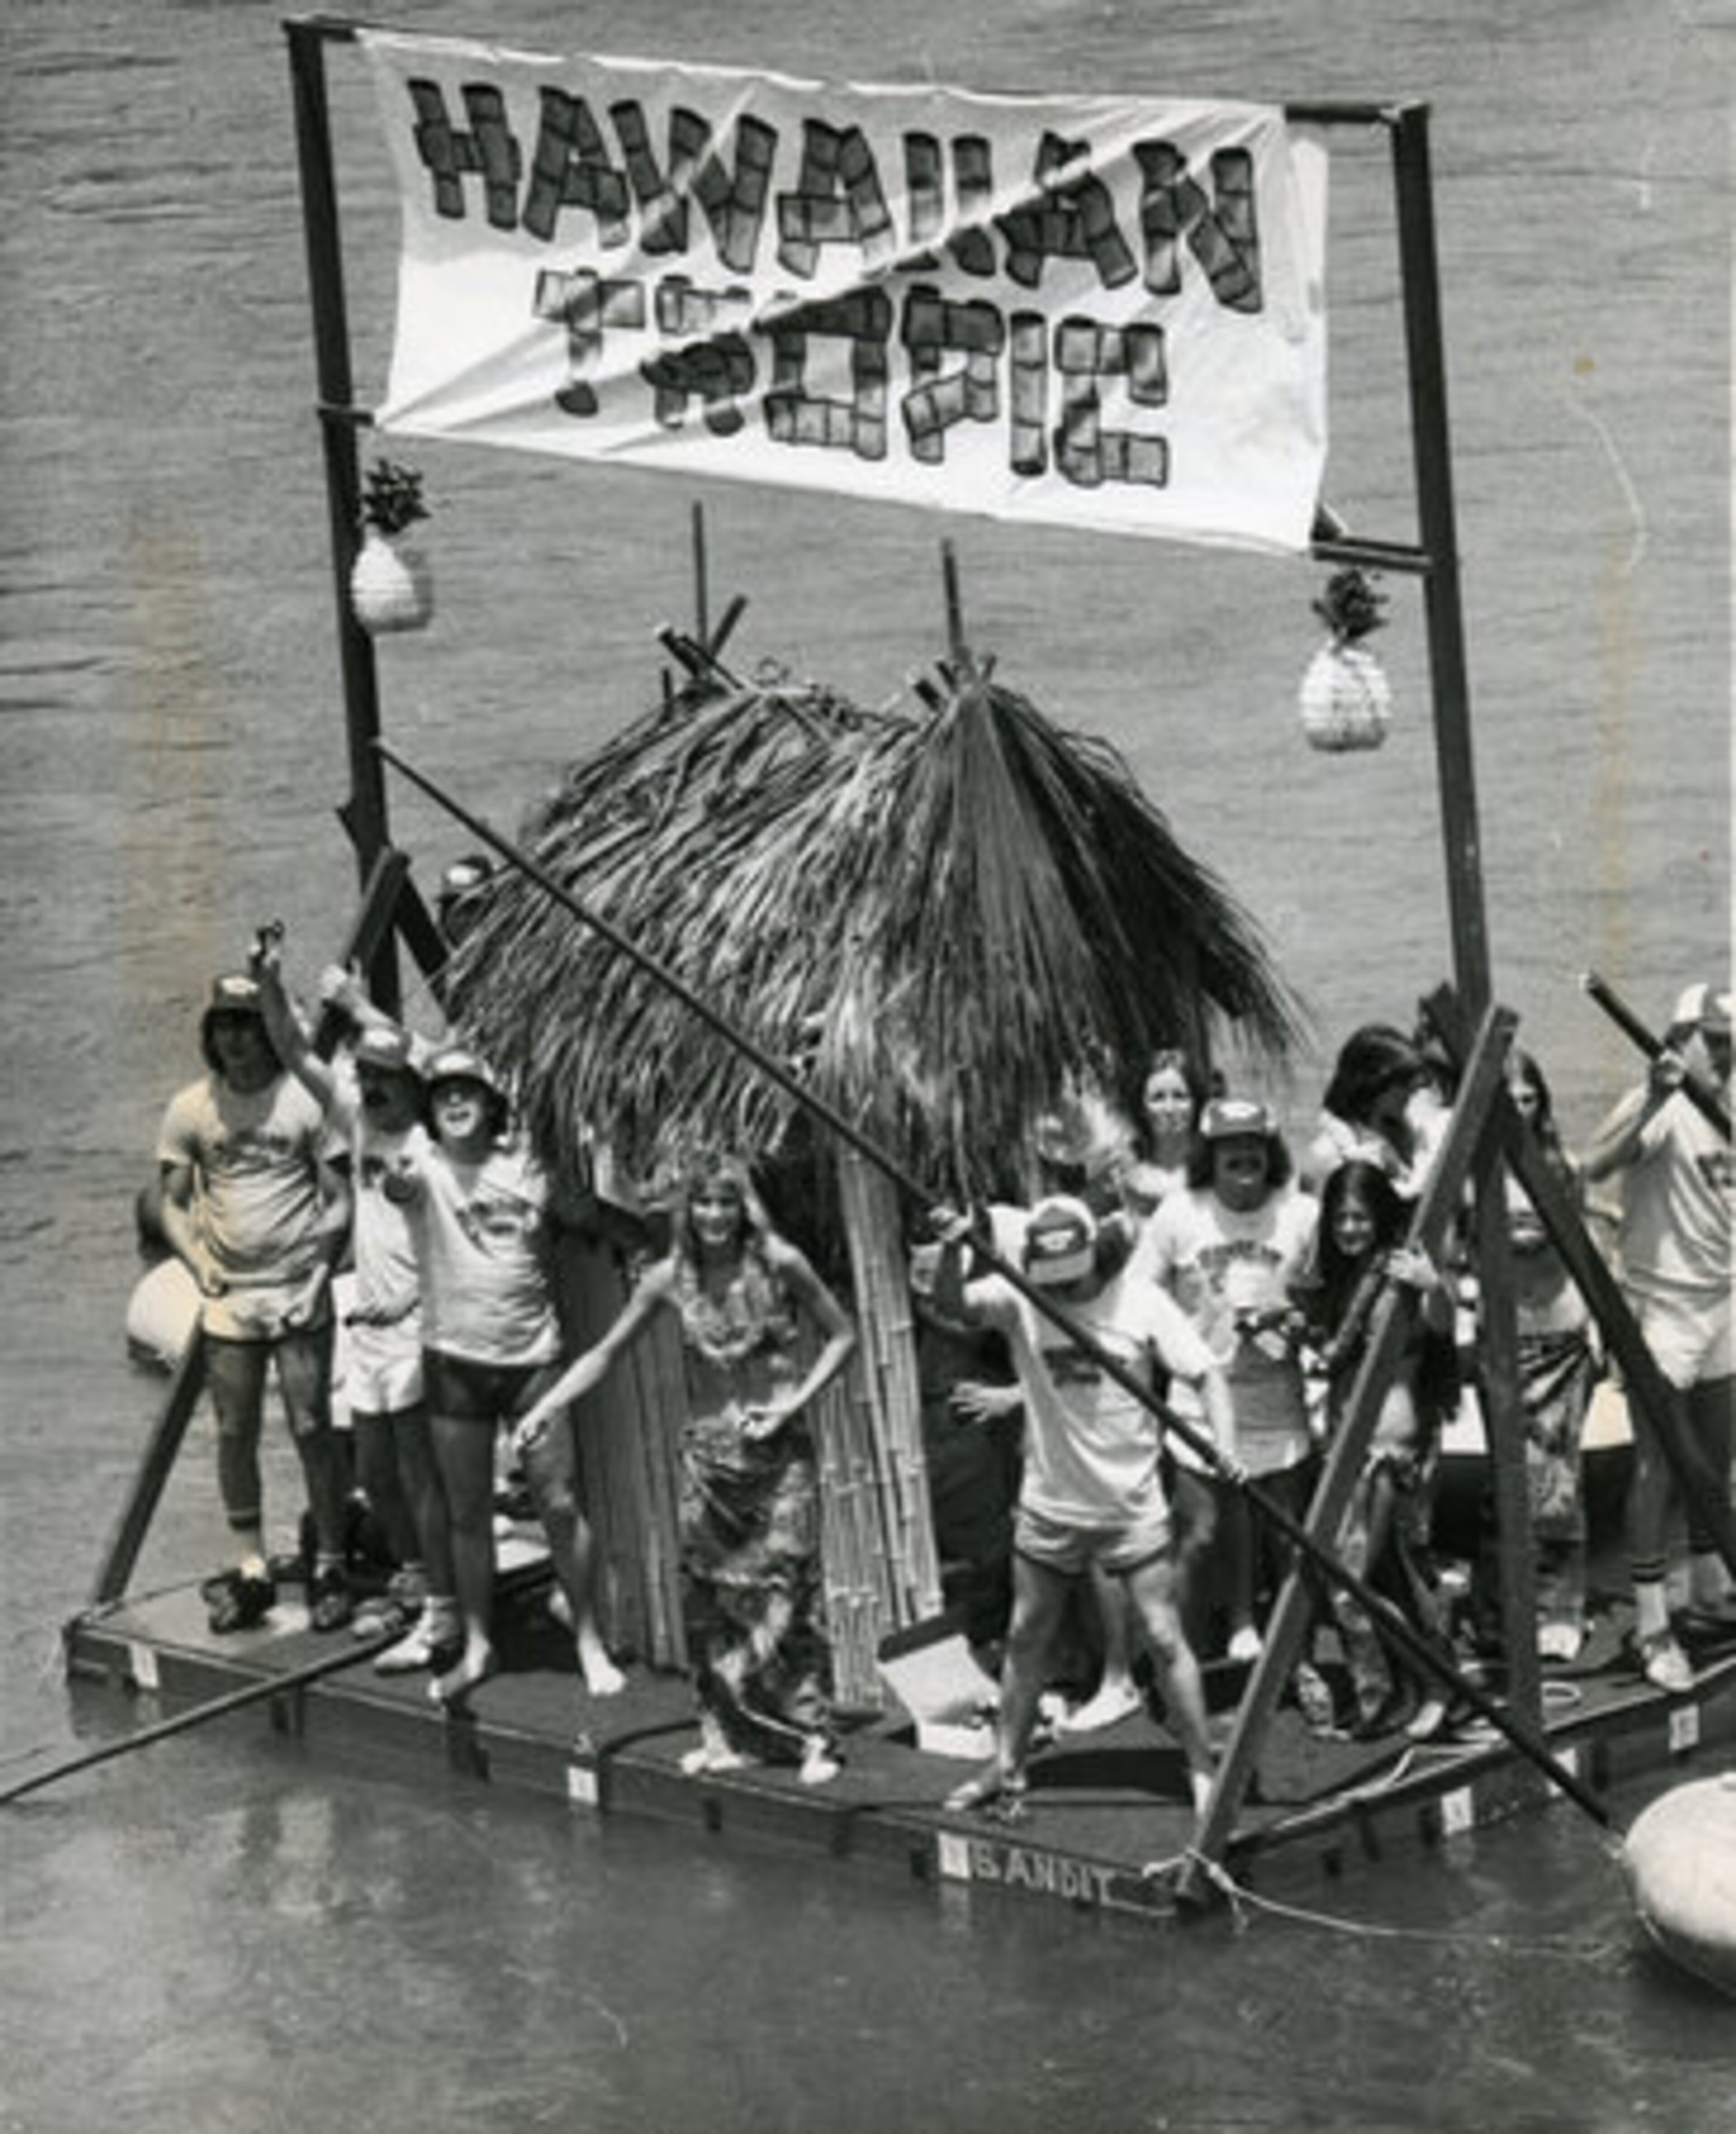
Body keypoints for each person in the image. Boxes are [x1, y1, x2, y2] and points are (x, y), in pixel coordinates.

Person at [514, 1155, 856, 1782]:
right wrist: (549, 1403)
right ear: (686, 1211)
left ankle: (815, 1736)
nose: (715, 1216)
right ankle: (729, 1735)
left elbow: (842, 1335)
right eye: (703, 1204)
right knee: (710, 1601)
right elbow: (607, 1352)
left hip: (778, 1459)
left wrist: (793, 1403)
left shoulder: (780, 1262)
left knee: (787, 1598)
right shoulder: (669, 1278)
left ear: (744, 1207)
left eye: (727, 1203)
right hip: (709, 1459)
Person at [930, 1194, 1235, 1823]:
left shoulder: (1141, 1301)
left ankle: (1203, 1764)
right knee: (1025, 1634)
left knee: (1162, 1634)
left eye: (1072, 1277)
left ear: (1093, 1252)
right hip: (1051, 1503)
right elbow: (951, 1305)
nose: (1062, 1292)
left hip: (1131, 1504)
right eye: (1052, 1280)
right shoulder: (1020, 1296)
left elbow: (1208, 1376)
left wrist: (1227, 1447)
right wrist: (957, 1248)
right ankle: (1006, 1764)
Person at [384, 1046, 623, 1707]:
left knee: (561, 1501)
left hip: (533, 1364)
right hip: (454, 1364)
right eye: (443, 1095)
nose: (455, 1103)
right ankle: (480, 1645)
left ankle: (589, 1639)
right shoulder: (423, 1167)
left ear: (492, 1103)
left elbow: (589, 1216)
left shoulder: (531, 1168)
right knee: (467, 1513)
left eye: (468, 1092)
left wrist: (651, 1237)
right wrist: (397, 1179)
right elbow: (397, 1186)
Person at [255, 947, 462, 1674]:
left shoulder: (436, 1138)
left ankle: (442, 1607)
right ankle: (414, 1580)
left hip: (416, 1323)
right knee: (374, 1472)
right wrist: (273, 982)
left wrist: (361, 1006)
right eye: (367, 1077)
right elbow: (290, 1048)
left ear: (410, 1085)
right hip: (368, 1328)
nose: (373, 1089)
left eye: (385, 1079)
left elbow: (451, 1062)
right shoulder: (362, 1123)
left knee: (417, 1471)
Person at [156, 962, 355, 1634]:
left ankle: (331, 1561)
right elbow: (171, 1206)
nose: (238, 1039)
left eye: (248, 1024)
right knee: (235, 1430)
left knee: (311, 1428)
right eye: (225, 1027)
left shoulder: (304, 1101)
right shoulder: (190, 1108)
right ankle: (251, 1566)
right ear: (211, 1036)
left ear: (267, 1032)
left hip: (299, 1289)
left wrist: (318, 1272)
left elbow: (338, 1201)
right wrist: (198, 1265)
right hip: (231, 1295)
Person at [1582, 981, 1734, 1693]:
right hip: (1665, 1309)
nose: (1730, 1056)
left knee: (1717, 1456)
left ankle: (1708, 1591)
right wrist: (1650, 1095)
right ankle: (1651, 1625)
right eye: (1717, 1041)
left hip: (1727, 1302)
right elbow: (1594, 1164)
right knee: (1660, 1466)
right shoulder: (1662, 1104)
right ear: (1681, 1040)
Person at [1142, 1098, 1320, 1675]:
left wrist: (1297, 1320)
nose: (1243, 1157)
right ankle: (1182, 1663)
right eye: (1229, 1147)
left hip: (1282, 1400)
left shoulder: (1303, 1214)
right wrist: (1182, 1332)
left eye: (1254, 1146)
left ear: (1270, 1151)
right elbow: (1136, 1295)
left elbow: (1328, 1291)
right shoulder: (1177, 1213)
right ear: (1209, 1154)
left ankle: (1297, 1661)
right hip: (1199, 1402)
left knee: (1289, 1540)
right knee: (1199, 1534)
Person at [1291, 1159, 1460, 1739]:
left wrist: (1430, 1283)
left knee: (1358, 1576)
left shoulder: (1402, 1269)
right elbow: (1321, 1327)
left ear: (1382, 1215)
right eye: (1339, 1216)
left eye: (1361, 1216)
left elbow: (1442, 1324)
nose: (1350, 1227)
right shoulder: (1347, 1275)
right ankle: (1419, 1684)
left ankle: (1406, 1691)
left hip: (1390, 1446)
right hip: (1347, 1441)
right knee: (1383, 1577)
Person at [1500, 1046, 1599, 1663]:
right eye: (1509, 1098)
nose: (1520, 1107)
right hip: (1503, 1336)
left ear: (1543, 1102)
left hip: (1562, 1333)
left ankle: (1565, 1608)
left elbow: (1581, 1247)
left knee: (1560, 1481)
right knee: (1507, 1481)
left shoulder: (1565, 1165)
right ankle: (1510, 1606)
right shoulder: (1477, 1169)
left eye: (1529, 1097)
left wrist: (1603, 1330)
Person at [908, 1235, 1023, 1670]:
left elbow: (975, 1328)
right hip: (928, 1432)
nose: (926, 1271)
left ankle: (993, 1643)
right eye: (919, 1260)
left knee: (987, 1548)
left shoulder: (989, 1302)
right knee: (945, 1547)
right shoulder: (905, 1316)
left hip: (977, 1436)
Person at [1300, 1023, 1439, 1199]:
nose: (1415, 1088)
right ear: (1374, 1086)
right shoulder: (1325, 1156)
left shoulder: (1406, 1132)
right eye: (1405, 1080)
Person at [1119, 1047, 1211, 1222]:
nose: (1170, 1109)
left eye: (1180, 1097)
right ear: (1142, 1108)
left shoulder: (1216, 1166)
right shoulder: (1122, 1172)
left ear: (1196, 1103)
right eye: (1158, 1098)